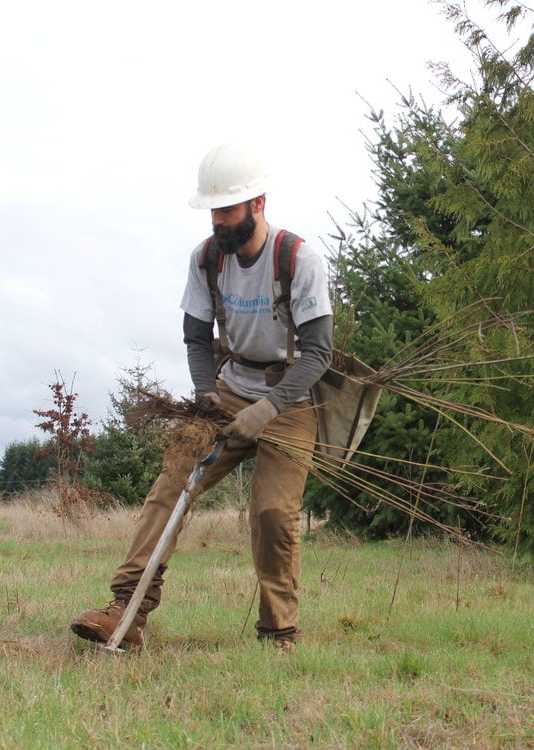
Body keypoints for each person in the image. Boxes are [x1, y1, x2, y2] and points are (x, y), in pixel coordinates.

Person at [71, 143, 334, 652]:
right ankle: (126, 610)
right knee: (173, 481)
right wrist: (206, 395)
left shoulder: (299, 259)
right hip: (228, 391)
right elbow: (196, 337)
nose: (217, 220)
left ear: (257, 204)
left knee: (273, 514)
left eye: (227, 210)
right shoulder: (207, 258)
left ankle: (279, 631)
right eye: (212, 209)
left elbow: (319, 353)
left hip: (290, 401)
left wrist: (269, 408)